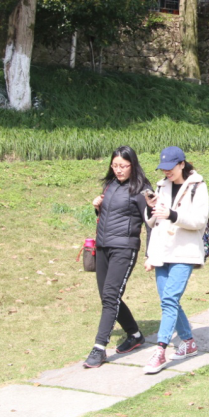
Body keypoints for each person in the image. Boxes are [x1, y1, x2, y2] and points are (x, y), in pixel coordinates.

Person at [142, 147, 209, 374]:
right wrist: (151, 208)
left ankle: (160, 350)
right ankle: (188, 341)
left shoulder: (197, 186)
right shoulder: (162, 186)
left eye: (170, 167)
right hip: (162, 251)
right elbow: (153, 222)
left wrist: (172, 214)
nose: (167, 172)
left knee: (170, 299)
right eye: (163, 168)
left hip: (185, 251)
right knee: (167, 300)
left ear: (182, 164)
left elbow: (200, 220)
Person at [83, 146, 151, 369]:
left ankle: (99, 348)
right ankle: (135, 334)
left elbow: (151, 223)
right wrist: (97, 207)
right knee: (107, 296)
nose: (118, 170)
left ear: (133, 165)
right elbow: (110, 215)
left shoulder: (142, 189)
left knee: (111, 296)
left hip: (124, 248)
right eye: (115, 165)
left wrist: (150, 254)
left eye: (123, 166)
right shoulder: (110, 185)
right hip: (103, 246)